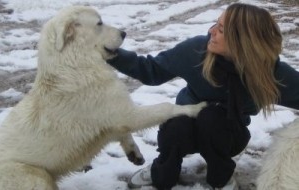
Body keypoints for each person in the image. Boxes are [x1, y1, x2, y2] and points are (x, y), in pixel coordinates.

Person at [107, 3, 299, 190]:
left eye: (221, 29)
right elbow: (151, 70)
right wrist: (109, 53)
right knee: (175, 122)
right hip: (184, 130)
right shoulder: (197, 51)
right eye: (216, 23)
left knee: (212, 116)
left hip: (228, 136)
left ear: (242, 41)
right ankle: (162, 172)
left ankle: (221, 177)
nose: (212, 30)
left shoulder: (269, 72)